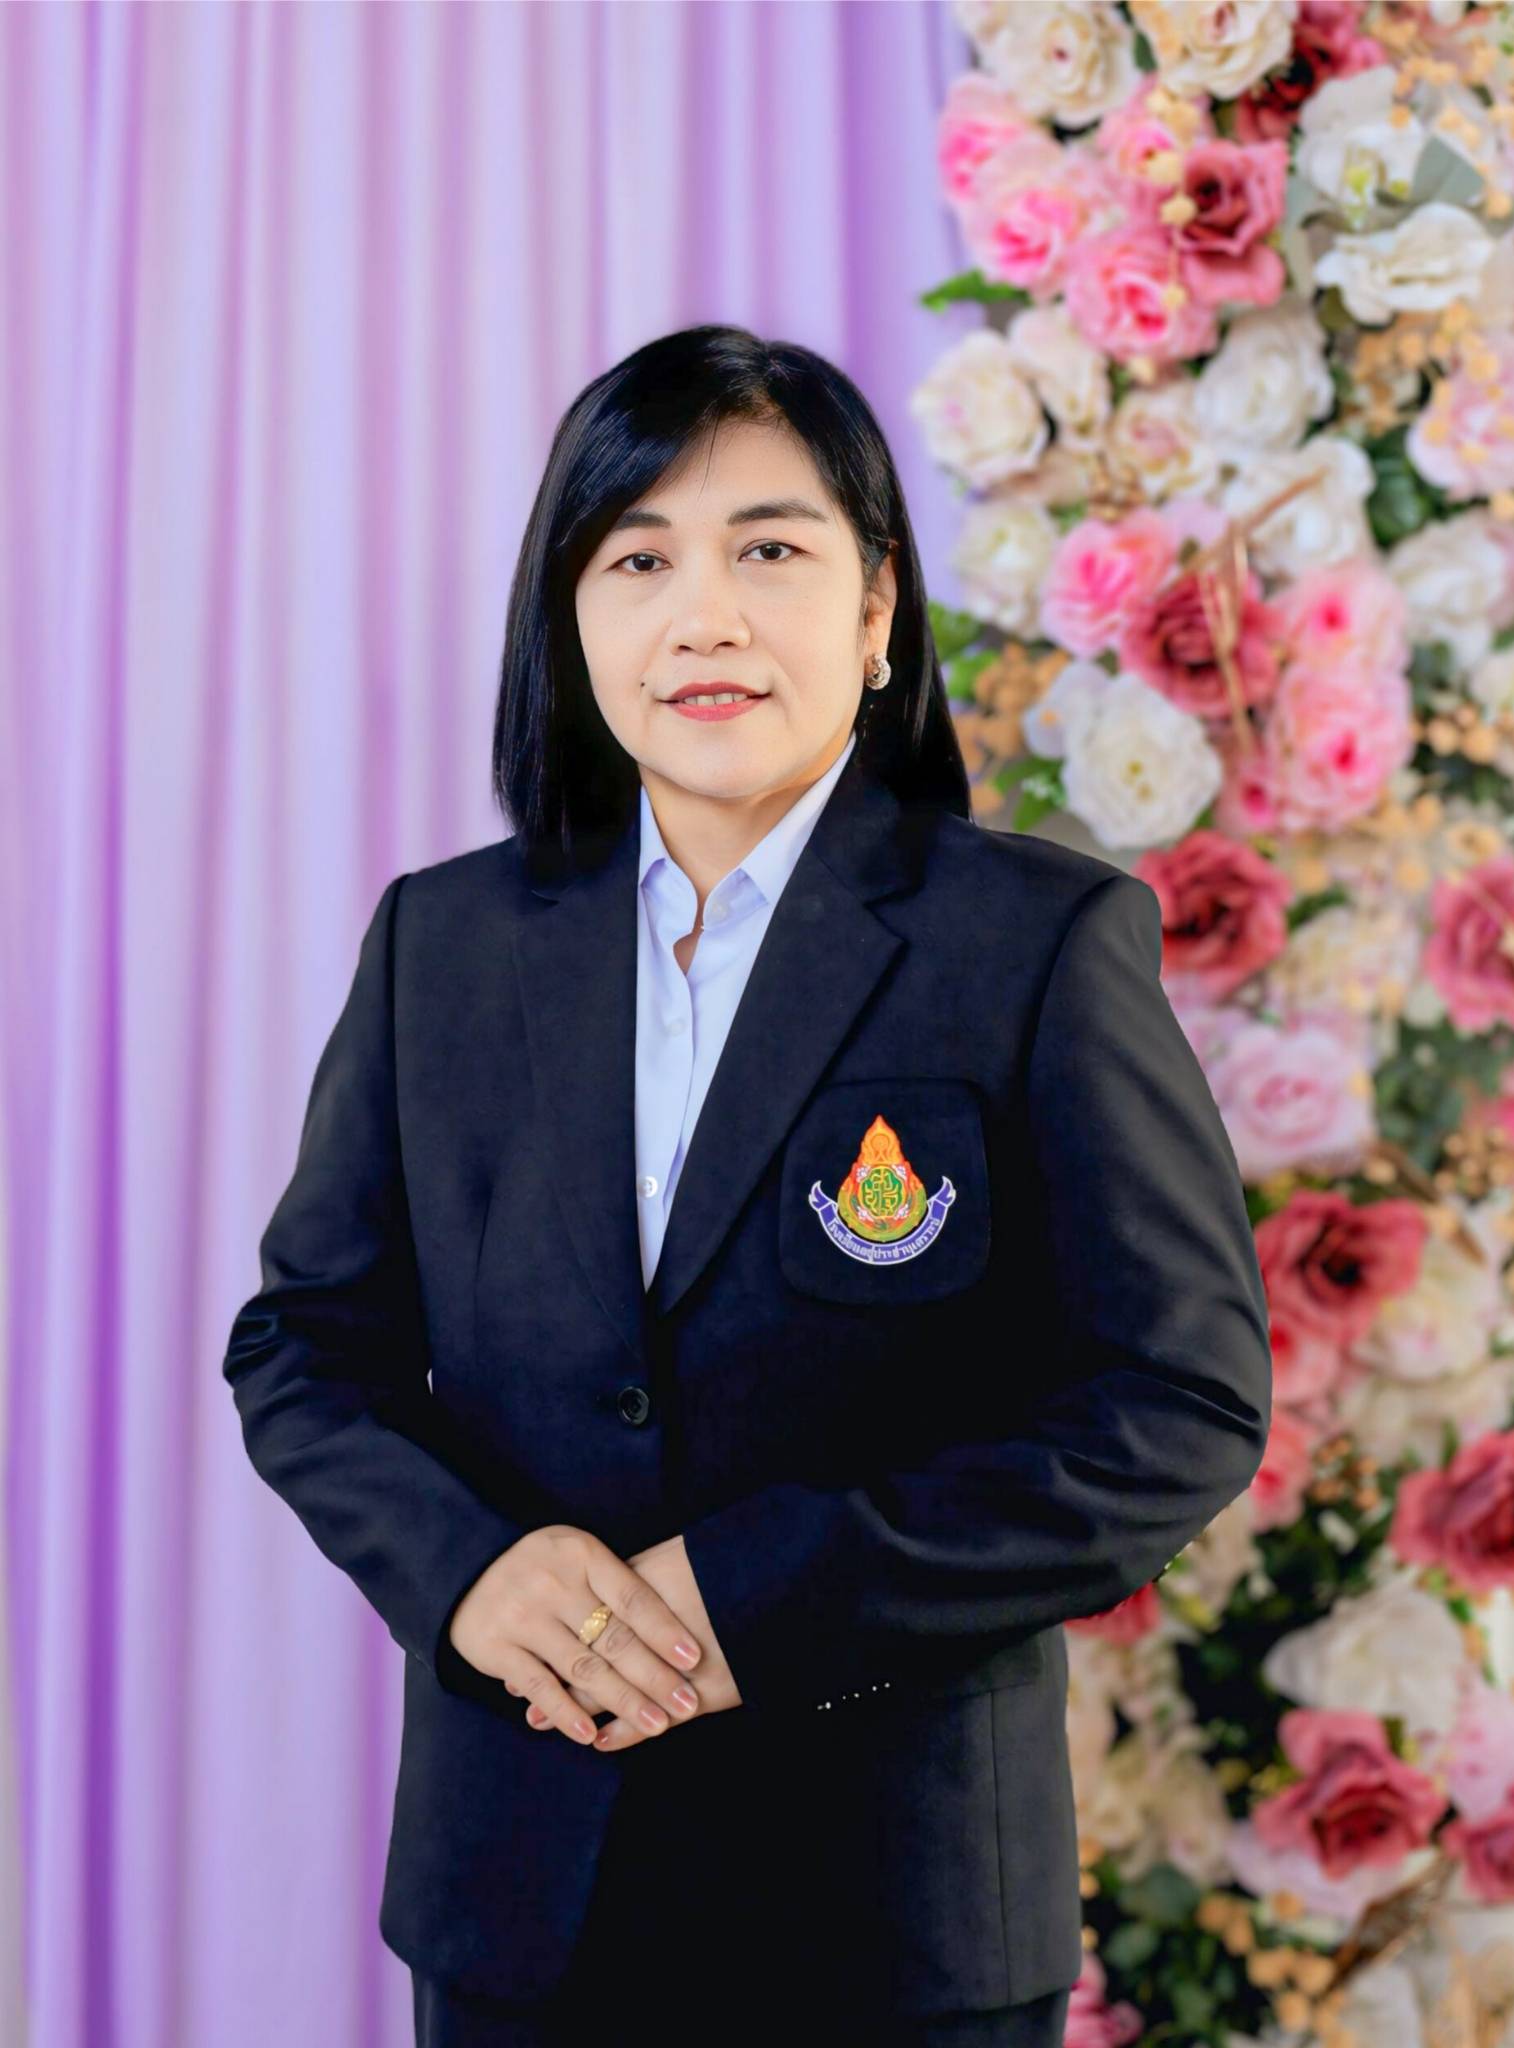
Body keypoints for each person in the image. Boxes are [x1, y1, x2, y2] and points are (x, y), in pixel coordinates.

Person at [222, 324, 1274, 2047]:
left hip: (898, 1922)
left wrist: (766, 1594)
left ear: (875, 613)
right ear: (572, 623)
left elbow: (1179, 1404)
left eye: (770, 550)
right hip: (519, 1898)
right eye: (638, 561)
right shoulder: (444, 946)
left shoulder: (1035, 943)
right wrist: (470, 1573)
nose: (702, 615)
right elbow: (303, 1349)